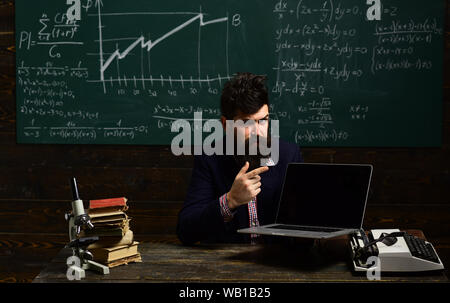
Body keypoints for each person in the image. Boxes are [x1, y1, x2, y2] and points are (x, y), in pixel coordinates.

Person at [176, 72, 303, 245]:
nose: (258, 132)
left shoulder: (289, 154)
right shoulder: (209, 158)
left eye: (263, 120)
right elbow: (186, 231)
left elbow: (303, 224)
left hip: (278, 265)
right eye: (246, 123)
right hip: (226, 266)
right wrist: (230, 201)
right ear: (225, 124)